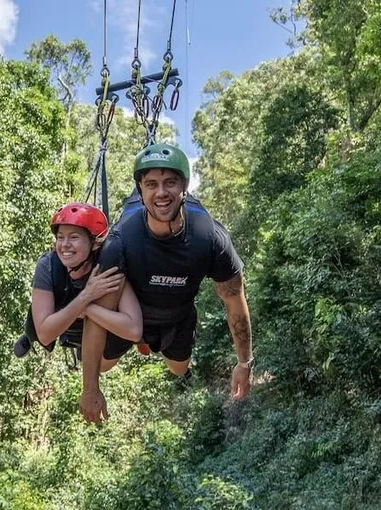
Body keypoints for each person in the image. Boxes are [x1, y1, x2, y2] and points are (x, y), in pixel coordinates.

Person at [78, 144, 254, 423]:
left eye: (170, 182)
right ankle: (139, 337)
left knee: (178, 369)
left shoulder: (209, 238)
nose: (161, 192)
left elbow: (234, 299)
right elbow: (98, 322)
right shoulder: (122, 241)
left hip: (178, 316)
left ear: (184, 187)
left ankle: (150, 342)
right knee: (101, 366)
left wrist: (245, 363)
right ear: (140, 190)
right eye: (151, 184)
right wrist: (90, 390)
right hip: (129, 315)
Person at [13, 202, 143, 359]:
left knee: (105, 360)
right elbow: (45, 335)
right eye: (60, 238)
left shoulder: (107, 265)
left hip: (100, 329)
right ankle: (28, 337)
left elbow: (134, 331)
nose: (65, 245)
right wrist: (86, 296)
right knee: (35, 321)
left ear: (95, 243)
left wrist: (86, 309)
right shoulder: (48, 265)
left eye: (74, 237)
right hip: (61, 321)